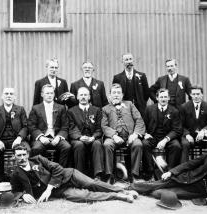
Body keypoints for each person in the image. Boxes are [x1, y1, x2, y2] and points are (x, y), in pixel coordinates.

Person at [10, 144, 138, 204]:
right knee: (83, 196)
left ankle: (124, 190)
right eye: (18, 156)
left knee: (92, 183)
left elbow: (58, 168)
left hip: (69, 175)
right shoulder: (15, 174)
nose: (22, 158)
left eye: (23, 154)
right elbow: (15, 191)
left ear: (27, 154)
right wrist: (22, 196)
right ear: (14, 158)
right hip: (59, 190)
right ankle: (119, 196)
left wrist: (49, 188)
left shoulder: (37, 159)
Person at [131, 140, 207, 205]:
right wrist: (172, 172)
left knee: (159, 193)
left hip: (198, 191)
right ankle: (129, 188)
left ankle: (140, 189)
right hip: (186, 178)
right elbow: (190, 164)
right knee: (158, 184)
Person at [101, 83, 145, 183]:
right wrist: (113, 135)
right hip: (114, 137)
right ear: (110, 95)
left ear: (122, 95)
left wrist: (135, 134)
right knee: (107, 145)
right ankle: (109, 176)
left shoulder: (130, 104)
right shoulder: (105, 109)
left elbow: (139, 119)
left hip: (130, 136)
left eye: (118, 93)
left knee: (138, 144)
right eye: (114, 93)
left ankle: (134, 175)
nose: (116, 95)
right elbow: (104, 126)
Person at [0, 87, 30, 184]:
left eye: (11, 94)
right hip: (1, 140)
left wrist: (19, 138)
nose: (9, 96)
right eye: (6, 94)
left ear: (14, 97)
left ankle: (24, 179)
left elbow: (26, 127)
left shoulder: (20, 109)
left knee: (28, 151)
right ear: (2, 96)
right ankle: (0, 179)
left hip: (17, 140)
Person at [142, 88, 182, 180]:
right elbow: (143, 124)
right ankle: (150, 172)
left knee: (176, 146)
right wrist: (145, 134)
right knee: (144, 144)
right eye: (161, 97)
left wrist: (165, 140)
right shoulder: (149, 109)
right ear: (157, 98)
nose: (163, 99)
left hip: (168, 138)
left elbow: (177, 130)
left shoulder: (174, 111)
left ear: (168, 98)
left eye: (165, 97)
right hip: (153, 137)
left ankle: (170, 172)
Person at [28, 84, 71, 167]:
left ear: (54, 94)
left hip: (56, 137)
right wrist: (41, 137)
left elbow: (65, 126)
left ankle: (60, 171)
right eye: (47, 93)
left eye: (51, 93)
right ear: (42, 94)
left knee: (67, 147)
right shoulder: (36, 108)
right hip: (41, 137)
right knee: (36, 148)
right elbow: (31, 126)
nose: (49, 95)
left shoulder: (61, 108)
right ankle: (41, 172)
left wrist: (58, 137)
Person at [68, 87, 104, 179]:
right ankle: (80, 176)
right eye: (81, 95)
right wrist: (79, 137)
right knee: (79, 145)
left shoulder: (97, 110)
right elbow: (71, 128)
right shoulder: (71, 111)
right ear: (77, 97)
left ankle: (98, 175)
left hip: (93, 138)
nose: (83, 97)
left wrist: (93, 137)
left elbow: (99, 128)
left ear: (89, 97)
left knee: (97, 144)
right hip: (78, 139)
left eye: (85, 95)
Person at [180, 85, 207, 162]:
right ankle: (183, 171)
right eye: (193, 94)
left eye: (198, 94)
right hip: (189, 135)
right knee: (185, 144)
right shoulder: (184, 107)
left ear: (202, 94)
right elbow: (180, 125)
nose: (196, 96)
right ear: (190, 95)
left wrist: (203, 132)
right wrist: (187, 134)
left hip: (204, 136)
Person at [112, 53, 149, 117]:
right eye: (126, 60)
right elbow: (115, 94)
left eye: (130, 59)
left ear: (133, 60)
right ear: (122, 62)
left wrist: (141, 102)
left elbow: (146, 93)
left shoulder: (142, 76)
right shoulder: (117, 78)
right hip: (124, 108)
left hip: (139, 109)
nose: (129, 61)